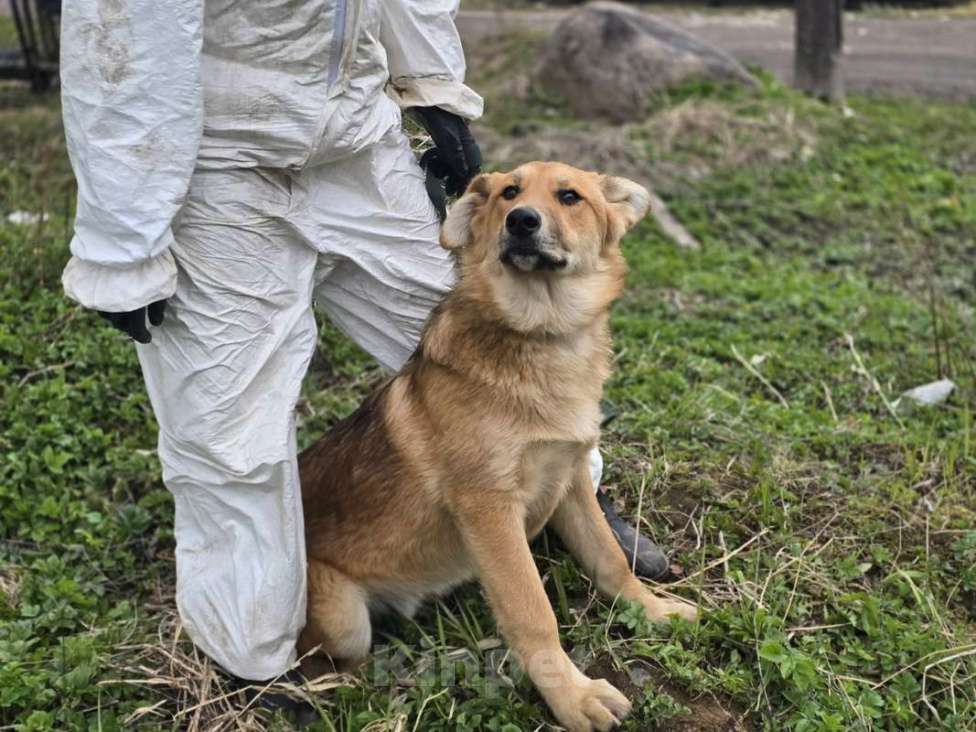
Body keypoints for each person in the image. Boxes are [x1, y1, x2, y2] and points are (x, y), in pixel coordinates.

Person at [60, 0, 670, 684]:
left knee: (479, 320)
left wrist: (433, 90)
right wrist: (123, 241)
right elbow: (120, 29)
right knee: (230, 431)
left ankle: (565, 501)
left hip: (354, 135)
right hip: (216, 155)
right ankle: (257, 657)